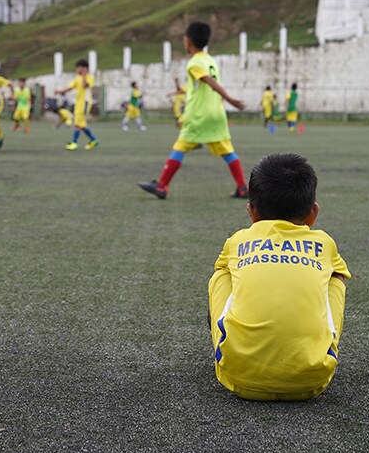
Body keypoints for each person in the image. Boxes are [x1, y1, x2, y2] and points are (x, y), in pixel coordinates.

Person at [208, 152, 350, 401]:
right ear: (313, 213)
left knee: (222, 272)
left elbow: (224, 270)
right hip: (313, 380)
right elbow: (337, 276)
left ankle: (231, 343)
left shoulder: (238, 240)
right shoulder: (324, 242)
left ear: (251, 212)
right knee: (336, 275)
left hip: (237, 377)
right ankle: (319, 349)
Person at [138, 21, 248, 199]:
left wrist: (229, 98)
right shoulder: (210, 60)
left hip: (199, 115)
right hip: (216, 113)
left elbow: (208, 81)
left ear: (188, 41)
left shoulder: (194, 63)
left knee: (180, 147)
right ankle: (243, 187)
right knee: (228, 151)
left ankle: (162, 186)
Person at [55, 59, 99, 151]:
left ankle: (74, 142)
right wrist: (59, 91)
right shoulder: (77, 78)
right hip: (78, 104)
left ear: (84, 68)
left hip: (85, 103)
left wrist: (84, 75)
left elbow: (85, 85)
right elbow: (70, 88)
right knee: (82, 125)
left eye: (78, 68)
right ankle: (93, 140)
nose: (76, 70)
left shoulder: (89, 77)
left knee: (77, 124)